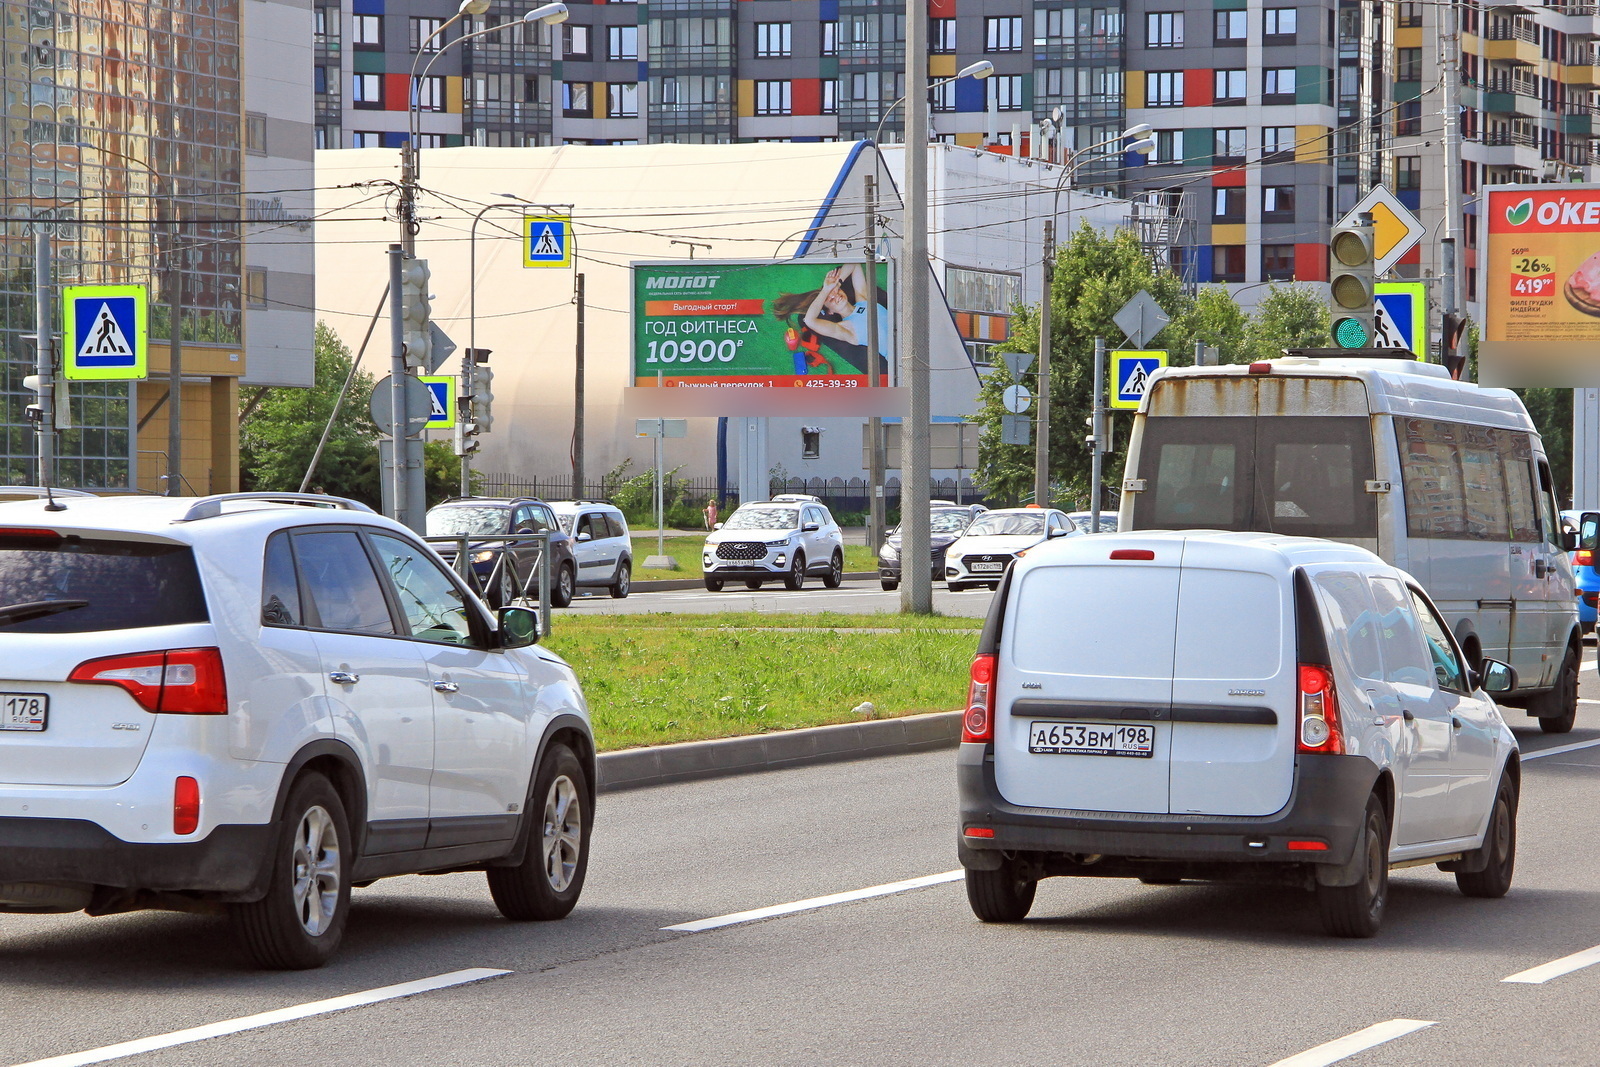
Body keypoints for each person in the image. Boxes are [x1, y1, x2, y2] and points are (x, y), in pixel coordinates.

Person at [771, 264, 890, 379]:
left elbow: (854, 264)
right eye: (830, 299)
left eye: (835, 292)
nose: (835, 296)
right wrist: (826, 290)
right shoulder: (846, 329)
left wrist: (835, 284)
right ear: (830, 312)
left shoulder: (864, 299)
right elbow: (809, 320)